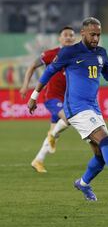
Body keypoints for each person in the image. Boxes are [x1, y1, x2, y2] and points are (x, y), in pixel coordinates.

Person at [27, 17, 108, 200]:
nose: (95, 38)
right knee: (106, 140)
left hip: (93, 107)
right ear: (83, 33)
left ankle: (83, 183)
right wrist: (34, 96)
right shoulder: (69, 52)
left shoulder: (101, 53)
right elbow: (48, 71)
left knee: (101, 156)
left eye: (98, 35)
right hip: (76, 107)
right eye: (92, 34)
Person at [20, 26, 76, 173]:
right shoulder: (52, 54)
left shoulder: (78, 55)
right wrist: (26, 85)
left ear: (75, 38)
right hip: (52, 97)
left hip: (67, 99)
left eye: (71, 35)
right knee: (68, 119)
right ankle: (51, 135)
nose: (69, 37)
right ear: (60, 38)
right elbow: (32, 65)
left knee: (55, 134)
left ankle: (38, 160)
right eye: (66, 35)